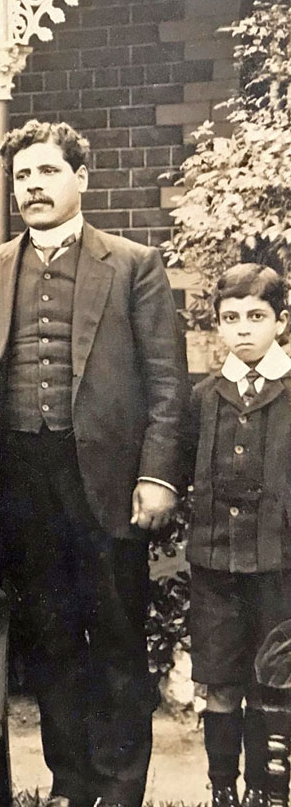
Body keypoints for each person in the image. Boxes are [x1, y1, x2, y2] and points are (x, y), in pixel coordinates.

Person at [0, 119, 190, 807]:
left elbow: (167, 382)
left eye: (48, 172)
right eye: (22, 176)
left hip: (109, 480)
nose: (33, 186)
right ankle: (70, 783)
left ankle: (119, 789)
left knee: (116, 636)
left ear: (81, 178)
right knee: (50, 636)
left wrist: (157, 474)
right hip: (23, 478)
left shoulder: (134, 265)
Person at [185, 264, 291, 807]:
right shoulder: (203, 397)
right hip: (215, 569)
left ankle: (270, 791)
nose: (243, 329)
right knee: (221, 682)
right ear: (217, 326)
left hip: (280, 569)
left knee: (276, 682)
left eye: (256, 317)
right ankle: (223, 789)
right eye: (231, 318)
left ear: (281, 322)